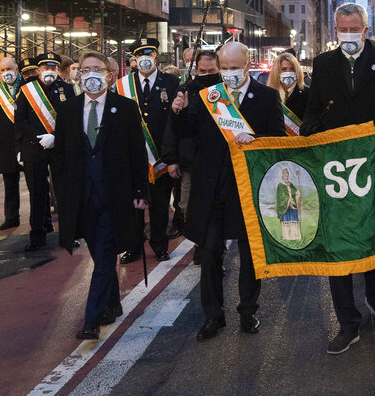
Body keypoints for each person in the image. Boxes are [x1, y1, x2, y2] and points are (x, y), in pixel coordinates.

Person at [300, 2, 375, 354]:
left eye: (355, 29)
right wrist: (310, 125)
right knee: (337, 241)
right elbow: (314, 107)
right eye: (343, 29)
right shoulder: (322, 65)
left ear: (366, 29)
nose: (349, 35)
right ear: (335, 30)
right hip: (335, 169)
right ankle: (347, 321)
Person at [171, 41, 284, 341]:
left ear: (248, 64)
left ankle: (248, 310)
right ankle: (213, 316)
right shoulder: (209, 96)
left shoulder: (267, 97)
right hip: (211, 188)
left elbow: (276, 139)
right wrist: (179, 112)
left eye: (235, 67)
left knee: (250, 254)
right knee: (208, 253)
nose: (229, 73)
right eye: (225, 67)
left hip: (248, 189)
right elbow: (187, 131)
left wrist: (256, 138)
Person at [53, 51, 148, 341]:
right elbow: (61, 158)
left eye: (97, 68)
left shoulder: (126, 108)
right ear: (77, 74)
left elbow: (136, 152)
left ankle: (91, 319)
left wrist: (141, 191)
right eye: (85, 69)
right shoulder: (68, 110)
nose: (90, 73)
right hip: (83, 197)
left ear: (109, 74)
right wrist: (62, 197)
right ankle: (113, 304)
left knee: (106, 256)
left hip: (114, 196)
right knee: (98, 254)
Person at [115, 38, 180, 263]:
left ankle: (160, 245)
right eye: (140, 55)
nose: (144, 59)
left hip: (161, 156)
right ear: (134, 59)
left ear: (156, 56)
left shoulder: (171, 82)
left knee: (160, 206)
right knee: (133, 205)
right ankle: (132, 247)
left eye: (149, 54)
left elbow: (176, 121)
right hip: (133, 157)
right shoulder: (123, 85)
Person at [14, 52, 76, 251]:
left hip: (59, 148)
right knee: (37, 193)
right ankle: (37, 235)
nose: (49, 71)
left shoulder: (67, 89)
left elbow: (73, 119)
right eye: (45, 68)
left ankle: (69, 235)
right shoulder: (26, 90)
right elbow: (20, 121)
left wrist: (56, 137)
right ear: (38, 70)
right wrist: (38, 137)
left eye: (53, 68)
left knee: (64, 192)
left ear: (58, 70)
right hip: (34, 147)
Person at [161, 50, 220, 255]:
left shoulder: (224, 91)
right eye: (202, 70)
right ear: (195, 69)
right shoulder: (185, 90)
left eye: (211, 70)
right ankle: (199, 242)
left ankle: (210, 249)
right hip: (189, 162)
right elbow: (172, 128)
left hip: (216, 162)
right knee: (186, 206)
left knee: (214, 208)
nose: (206, 73)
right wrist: (171, 159)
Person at [0, 56, 23, 230]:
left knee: (36, 183)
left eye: (9, 69)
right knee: (9, 184)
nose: (6, 73)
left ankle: (41, 219)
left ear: (16, 69)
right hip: (5, 145)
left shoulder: (27, 87)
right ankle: (11, 217)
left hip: (26, 142)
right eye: (2, 70)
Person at [266, 51, 309, 135]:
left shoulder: (308, 93)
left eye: (292, 68)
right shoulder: (267, 94)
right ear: (277, 72)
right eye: (284, 69)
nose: (288, 72)